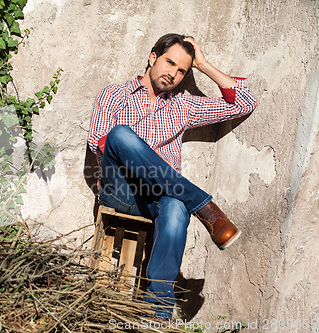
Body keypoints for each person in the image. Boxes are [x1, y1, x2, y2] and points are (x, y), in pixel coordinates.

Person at [87, 33, 258, 318]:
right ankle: (203, 205)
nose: (174, 74)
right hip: (120, 189)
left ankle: (158, 313)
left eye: (182, 70)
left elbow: (244, 103)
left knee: (177, 207)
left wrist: (203, 65)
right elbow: (99, 143)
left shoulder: (183, 106)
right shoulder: (114, 94)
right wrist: (138, 154)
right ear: (153, 58)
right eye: (169, 63)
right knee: (119, 136)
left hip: (159, 197)